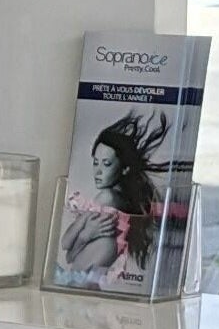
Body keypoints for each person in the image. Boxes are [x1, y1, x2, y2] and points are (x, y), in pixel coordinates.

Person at [58, 110, 171, 289]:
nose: (98, 171)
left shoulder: (107, 198)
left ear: (124, 168)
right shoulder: (121, 203)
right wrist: (86, 234)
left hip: (81, 284)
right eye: (95, 162)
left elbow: (68, 251)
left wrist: (85, 234)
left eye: (107, 164)